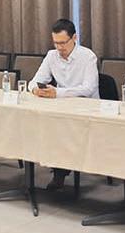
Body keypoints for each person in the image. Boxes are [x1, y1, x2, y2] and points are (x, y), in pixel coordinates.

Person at [29, 19, 100, 190]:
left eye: (63, 43)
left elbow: (88, 89)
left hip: (87, 108)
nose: (59, 47)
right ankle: (58, 168)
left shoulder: (87, 56)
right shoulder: (51, 56)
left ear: (74, 38)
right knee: (44, 126)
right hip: (61, 108)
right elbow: (34, 81)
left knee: (62, 129)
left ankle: (61, 172)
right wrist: (36, 90)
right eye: (56, 43)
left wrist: (58, 93)